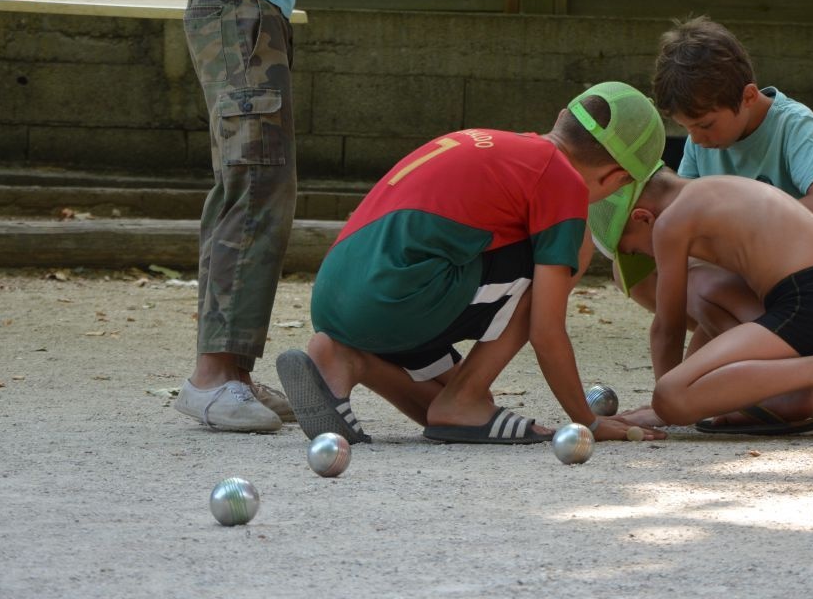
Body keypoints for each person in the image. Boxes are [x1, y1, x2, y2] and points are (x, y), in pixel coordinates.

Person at [175, 0, 441, 433]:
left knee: (261, 184)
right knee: (255, 182)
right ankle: (211, 376)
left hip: (254, 13)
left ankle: (229, 370)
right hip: (236, 10)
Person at [274, 82, 669, 446]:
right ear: (618, 178)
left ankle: (349, 359)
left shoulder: (500, 145)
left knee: (452, 401)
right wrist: (589, 421)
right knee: (566, 252)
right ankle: (462, 401)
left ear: (560, 118)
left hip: (340, 297)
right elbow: (545, 331)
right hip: (395, 296)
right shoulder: (562, 180)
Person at [617, 15, 813, 434]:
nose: (696, 139)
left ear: (748, 96)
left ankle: (799, 381)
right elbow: (693, 239)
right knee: (668, 276)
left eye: (706, 124)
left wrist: (756, 226)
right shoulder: (700, 156)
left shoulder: (793, 122)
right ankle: (774, 392)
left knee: (696, 285)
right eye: (686, 128)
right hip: (769, 287)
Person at [591, 169, 813, 443]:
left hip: (808, 306)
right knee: (688, 364)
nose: (644, 257)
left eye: (632, 250)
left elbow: (668, 326)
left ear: (642, 217)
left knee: (672, 395)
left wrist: (666, 405)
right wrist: (697, 389)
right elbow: (710, 326)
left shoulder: (670, 222)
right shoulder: (715, 191)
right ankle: (810, 381)